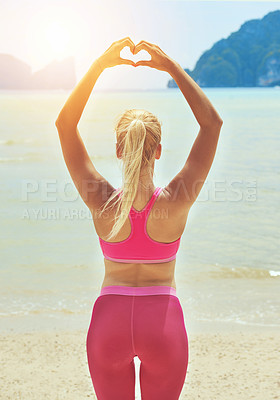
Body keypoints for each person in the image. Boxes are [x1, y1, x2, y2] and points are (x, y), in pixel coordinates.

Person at [55, 37, 223, 400]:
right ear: (159, 150)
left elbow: (65, 125)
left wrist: (100, 64)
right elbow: (212, 124)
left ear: (118, 148)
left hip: (108, 324)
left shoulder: (100, 200)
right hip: (162, 323)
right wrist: (169, 66)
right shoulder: (177, 200)